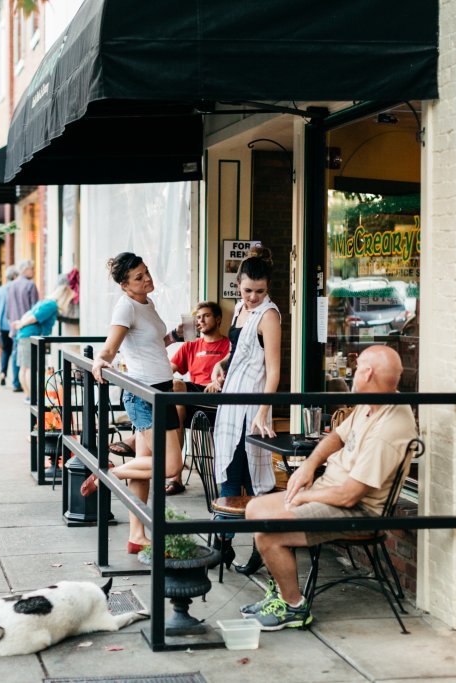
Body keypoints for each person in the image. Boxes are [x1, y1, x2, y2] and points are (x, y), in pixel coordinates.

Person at [239, 345, 417, 631]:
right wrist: (309, 465)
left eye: (358, 368)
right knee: (254, 509)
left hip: (358, 512)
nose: (355, 372)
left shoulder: (391, 427)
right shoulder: (371, 402)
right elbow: (337, 435)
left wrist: (305, 496)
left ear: (368, 373)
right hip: (329, 492)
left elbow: (349, 496)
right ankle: (278, 594)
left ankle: (294, 607)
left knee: (269, 530)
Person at [86, 252, 185, 554]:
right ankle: (106, 475)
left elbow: (152, 343)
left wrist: (176, 336)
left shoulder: (147, 303)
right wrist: (100, 363)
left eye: (146, 272)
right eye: (139, 277)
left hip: (162, 390)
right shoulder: (126, 307)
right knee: (170, 466)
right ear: (125, 286)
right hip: (145, 394)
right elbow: (110, 348)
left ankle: (136, 536)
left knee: (142, 474)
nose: (147, 279)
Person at [211, 256, 282, 498]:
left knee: (251, 475)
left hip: (251, 406)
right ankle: (225, 533)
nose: (253, 297)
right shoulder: (239, 308)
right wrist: (219, 366)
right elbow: (236, 351)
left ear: (268, 287)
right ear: (238, 284)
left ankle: (253, 533)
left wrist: (262, 411)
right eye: (247, 290)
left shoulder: (269, 316)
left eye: (260, 291)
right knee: (231, 472)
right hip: (230, 399)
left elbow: (273, 370)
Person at [163, 301, 231, 495]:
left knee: (176, 389)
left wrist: (218, 381)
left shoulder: (228, 345)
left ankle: (148, 445)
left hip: (218, 400)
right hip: (194, 400)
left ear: (218, 319)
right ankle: (175, 477)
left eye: (206, 316)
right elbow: (167, 371)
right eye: (198, 317)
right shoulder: (191, 345)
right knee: (176, 405)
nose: (201, 320)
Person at [11, 297, 58, 398]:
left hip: (24, 335)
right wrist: (21, 324)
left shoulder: (43, 303)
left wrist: (21, 323)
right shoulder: (52, 305)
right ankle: (32, 397)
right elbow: (35, 318)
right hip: (30, 335)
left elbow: (30, 315)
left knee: (24, 368)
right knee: (29, 367)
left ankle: (29, 396)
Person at [5, 260, 39, 393]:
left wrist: (11, 324)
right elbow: (35, 310)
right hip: (28, 328)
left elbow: (8, 309)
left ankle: (16, 383)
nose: (33, 272)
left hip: (14, 326)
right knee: (29, 363)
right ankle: (29, 392)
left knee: (16, 356)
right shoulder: (30, 285)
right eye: (32, 269)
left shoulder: (11, 285)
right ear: (26, 270)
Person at [0, 265, 18, 386]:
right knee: (15, 351)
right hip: (14, 324)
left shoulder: (1, 289)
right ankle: (16, 380)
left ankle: (3, 372)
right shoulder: (15, 288)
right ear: (14, 276)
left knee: (6, 350)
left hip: (2, 325)